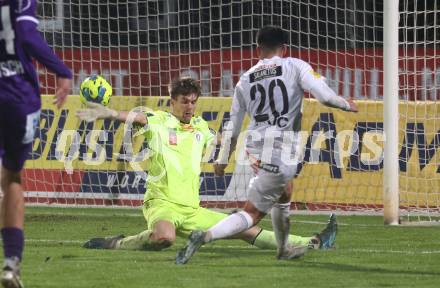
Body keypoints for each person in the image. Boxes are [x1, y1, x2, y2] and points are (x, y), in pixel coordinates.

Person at [76, 77, 336, 253]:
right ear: (172, 102)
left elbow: (220, 144)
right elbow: (135, 117)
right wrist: (109, 113)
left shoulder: (201, 127)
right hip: (161, 203)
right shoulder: (159, 120)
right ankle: (117, 244)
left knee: (245, 228)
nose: (189, 106)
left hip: (192, 209)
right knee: (164, 238)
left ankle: (311, 242)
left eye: (193, 101)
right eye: (184, 101)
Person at [175, 26, 358, 264]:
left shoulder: (245, 79)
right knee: (251, 213)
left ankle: (283, 250)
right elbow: (324, 97)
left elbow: (233, 127)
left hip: (256, 148)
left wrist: (221, 160)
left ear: (258, 48)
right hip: (281, 150)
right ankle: (207, 235)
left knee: (285, 192)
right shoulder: (294, 65)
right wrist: (346, 104)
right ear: (284, 48)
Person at [0, 1, 72, 287]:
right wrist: (62, 71)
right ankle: (11, 264)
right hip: (17, 96)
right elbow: (28, 35)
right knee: (12, 176)